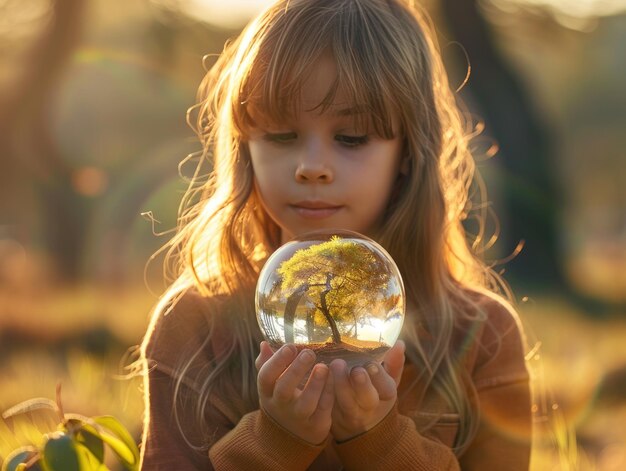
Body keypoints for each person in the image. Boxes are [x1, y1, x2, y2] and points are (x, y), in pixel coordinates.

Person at [139, 0, 532, 469]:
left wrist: (379, 440)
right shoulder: (194, 325)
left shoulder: (481, 337)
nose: (312, 167)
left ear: (409, 150)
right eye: (282, 136)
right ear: (245, 144)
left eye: (351, 138)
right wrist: (276, 440)